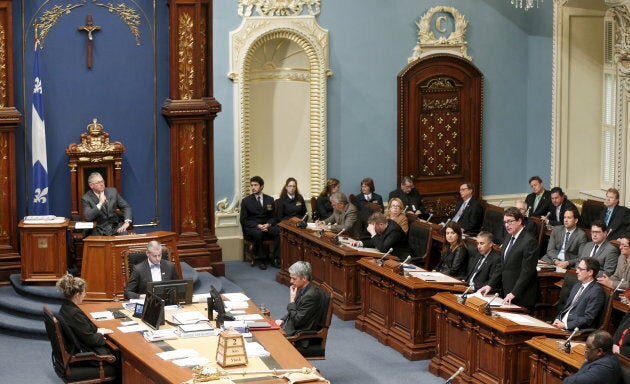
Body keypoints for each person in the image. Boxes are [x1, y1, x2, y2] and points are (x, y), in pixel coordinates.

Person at [479, 207, 539, 310]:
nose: (506, 225)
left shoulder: (529, 241)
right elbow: (502, 265)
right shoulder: (508, 237)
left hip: (522, 296)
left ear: (519, 221)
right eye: (505, 222)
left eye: (510, 221)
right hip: (506, 292)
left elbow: (527, 272)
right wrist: (490, 285)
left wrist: (514, 292)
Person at [56, 274, 114, 355]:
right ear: (77, 295)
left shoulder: (66, 306)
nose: (84, 295)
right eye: (83, 292)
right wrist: (100, 333)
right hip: (87, 352)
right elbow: (91, 340)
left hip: (79, 345)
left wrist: (96, 330)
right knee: (116, 352)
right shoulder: (75, 314)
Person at [275, 261, 326, 352]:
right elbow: (297, 309)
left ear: (304, 278)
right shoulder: (304, 289)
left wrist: (292, 300)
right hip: (293, 327)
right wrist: (283, 319)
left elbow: (297, 321)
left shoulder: (311, 296)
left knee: (270, 342)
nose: (291, 281)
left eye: (294, 279)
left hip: (299, 335)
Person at [552, 258, 605, 331]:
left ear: (590, 272)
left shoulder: (596, 291)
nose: (577, 271)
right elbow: (566, 308)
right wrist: (558, 319)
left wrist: (565, 325)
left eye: (580, 269)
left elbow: (588, 318)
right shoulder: (577, 286)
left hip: (572, 330)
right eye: (577, 268)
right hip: (560, 325)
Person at [240, 176, 280, 270]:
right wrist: (257, 225)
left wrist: (268, 224)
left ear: (261, 186)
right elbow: (244, 220)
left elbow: (274, 217)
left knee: (279, 231)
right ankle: (262, 259)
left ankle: (275, 258)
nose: (253, 187)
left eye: (255, 185)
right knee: (258, 233)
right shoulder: (246, 201)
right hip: (253, 227)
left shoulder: (269, 199)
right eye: (251, 185)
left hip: (266, 226)